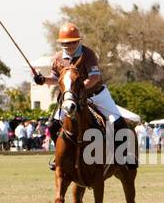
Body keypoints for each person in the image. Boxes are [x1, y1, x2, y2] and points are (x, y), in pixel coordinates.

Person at [35, 22, 140, 170]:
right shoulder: (58, 57)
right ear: (61, 43)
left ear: (79, 41)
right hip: (72, 98)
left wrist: (77, 88)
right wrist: (43, 80)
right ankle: (58, 156)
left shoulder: (88, 54)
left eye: (73, 42)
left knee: (117, 121)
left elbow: (94, 77)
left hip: (97, 94)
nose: (70, 46)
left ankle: (124, 155)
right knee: (53, 126)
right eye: (66, 43)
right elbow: (55, 78)